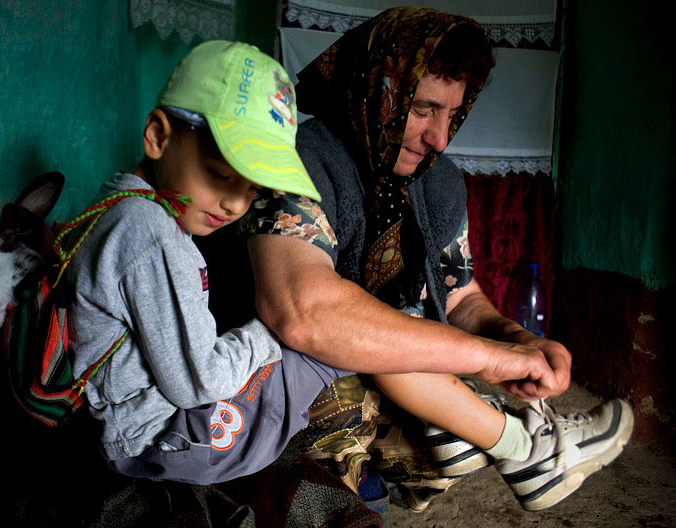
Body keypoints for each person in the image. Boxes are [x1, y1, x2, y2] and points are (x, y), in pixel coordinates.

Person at [224, 6, 633, 512]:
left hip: (379, 376)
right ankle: (510, 449)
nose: (440, 137)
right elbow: (303, 313)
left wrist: (516, 339)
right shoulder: (298, 160)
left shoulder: (437, 181)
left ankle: (484, 443)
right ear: (375, 93)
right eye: (422, 110)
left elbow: (459, 294)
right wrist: (486, 358)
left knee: (423, 361)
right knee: (351, 380)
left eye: (452, 115)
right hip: (271, 380)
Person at [64, 40, 351, 485]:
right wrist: (267, 335)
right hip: (160, 438)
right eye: (220, 174)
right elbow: (200, 383)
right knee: (315, 351)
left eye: (253, 189)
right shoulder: (150, 233)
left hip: (140, 423)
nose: (235, 204)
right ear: (158, 136)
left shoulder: (122, 202)